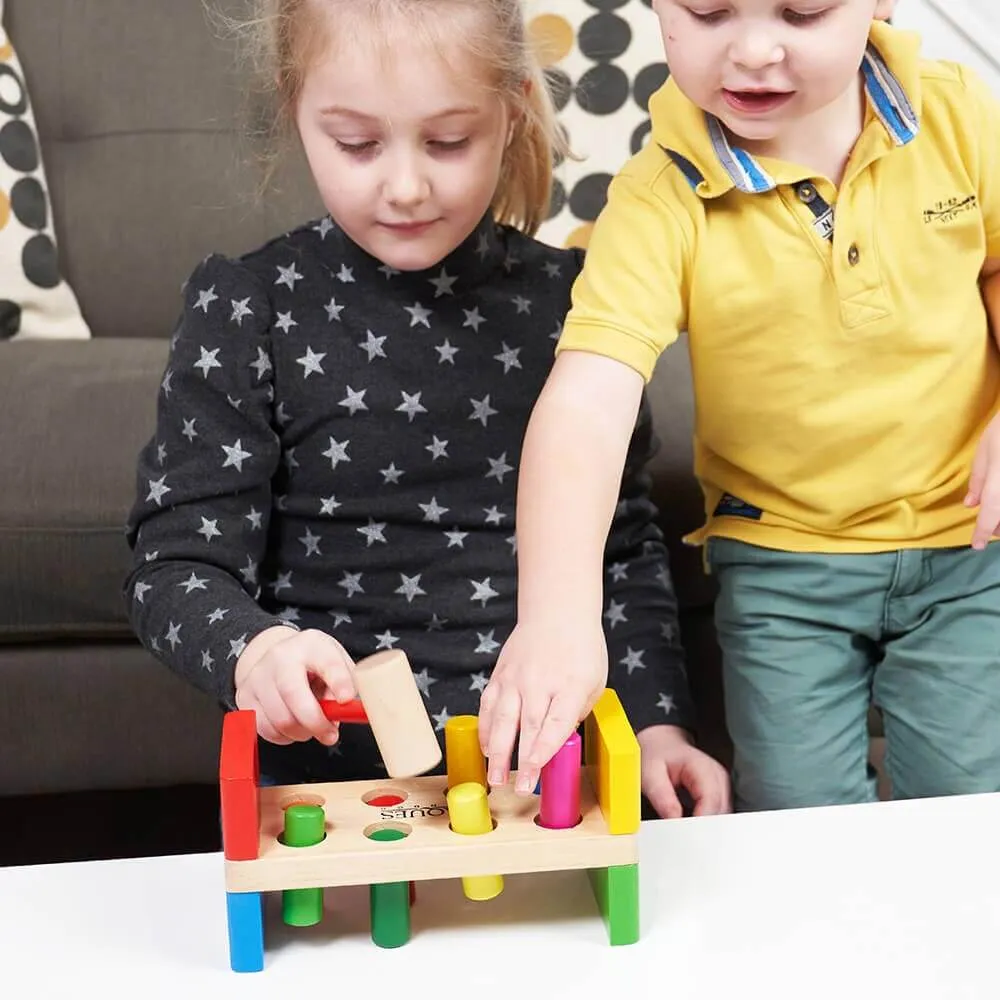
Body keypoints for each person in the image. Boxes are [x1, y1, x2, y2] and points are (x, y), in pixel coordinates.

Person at [124, 0, 731, 818]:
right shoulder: (248, 307)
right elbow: (174, 567)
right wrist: (254, 650)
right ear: (293, 103)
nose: (406, 187)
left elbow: (619, 554)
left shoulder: (577, 305)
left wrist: (659, 728)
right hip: (333, 797)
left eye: (449, 141)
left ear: (512, 108)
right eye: (356, 143)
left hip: (543, 790)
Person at [479, 0, 1000, 811]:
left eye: (802, 13)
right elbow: (587, 397)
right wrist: (557, 615)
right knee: (796, 818)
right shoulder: (660, 197)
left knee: (967, 807)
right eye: (709, 11)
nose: (754, 50)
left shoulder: (960, 113)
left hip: (969, 546)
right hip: (784, 570)